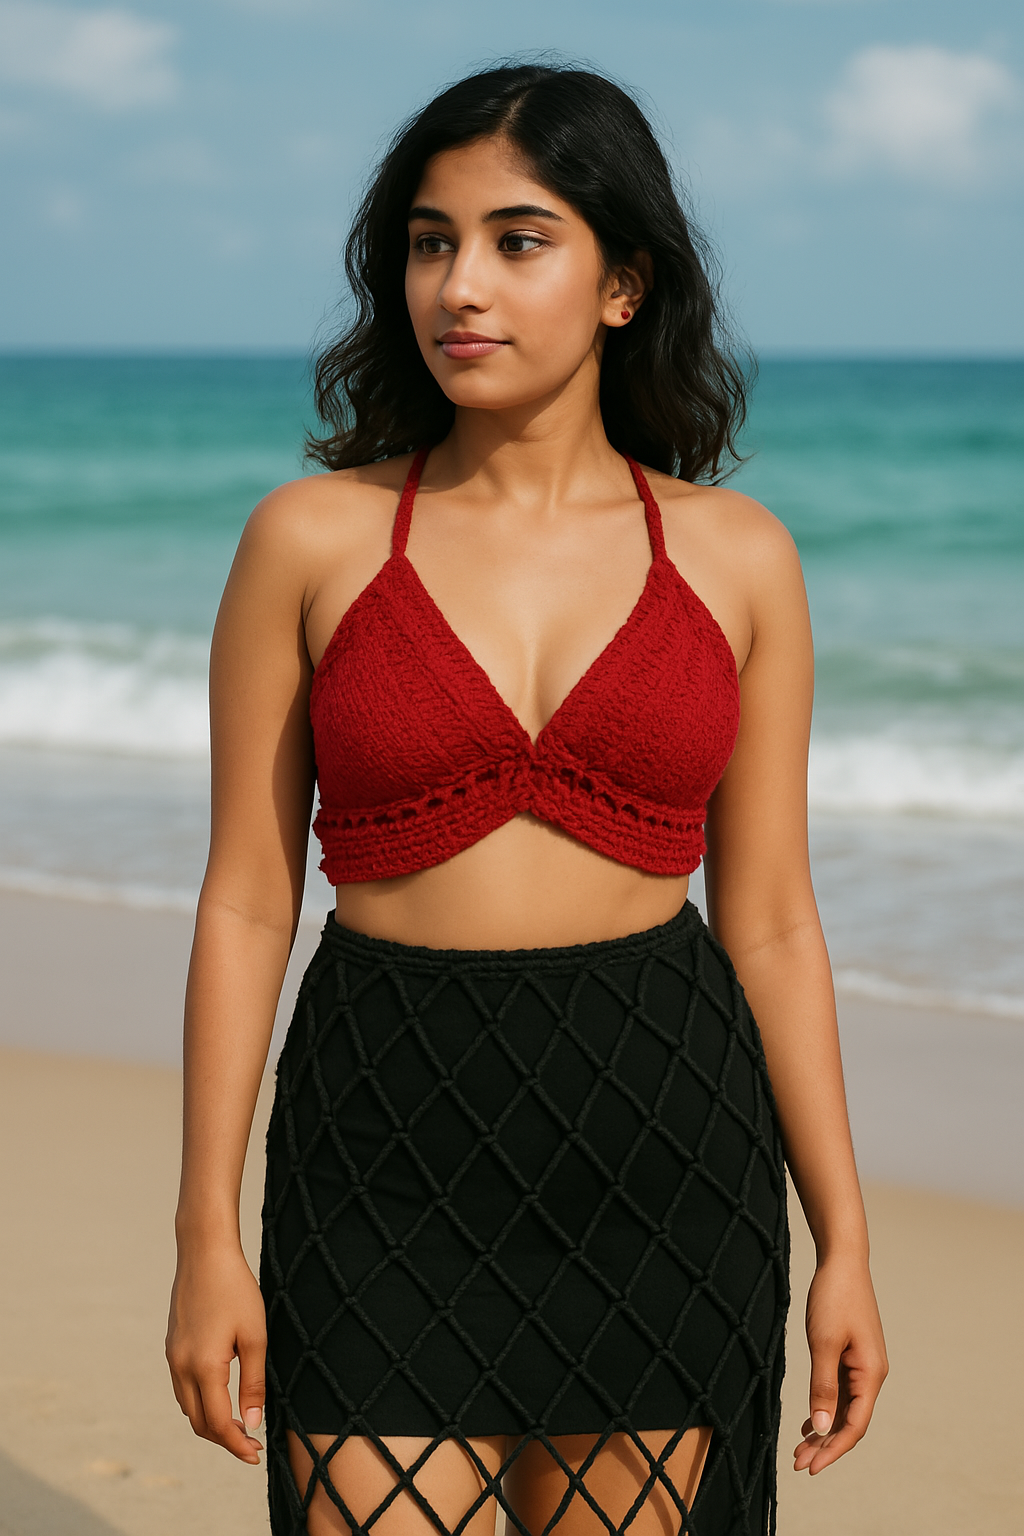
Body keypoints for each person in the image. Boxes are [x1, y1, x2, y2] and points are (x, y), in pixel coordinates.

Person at [165, 63, 887, 1536]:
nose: (460, 286)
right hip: (380, 1145)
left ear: (624, 283)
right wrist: (203, 1233)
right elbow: (248, 896)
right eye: (430, 243)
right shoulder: (313, 538)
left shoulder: (739, 557)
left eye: (517, 239)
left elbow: (771, 924)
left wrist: (847, 1240)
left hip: (665, 1151)